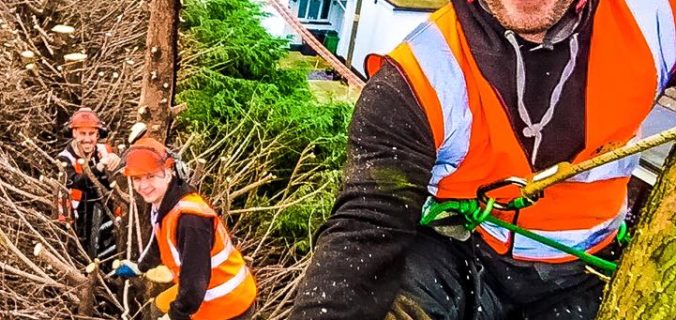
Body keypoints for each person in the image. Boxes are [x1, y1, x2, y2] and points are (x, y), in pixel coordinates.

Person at [290, 0, 675, 318]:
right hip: (457, 255)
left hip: (585, 274)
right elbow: (367, 228)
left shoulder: (652, 16)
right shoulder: (418, 76)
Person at [113, 138, 257, 320]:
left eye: (151, 176)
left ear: (170, 171)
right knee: (157, 307)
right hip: (207, 292)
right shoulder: (165, 203)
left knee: (167, 311)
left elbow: (194, 283)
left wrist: (175, 316)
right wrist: (140, 267)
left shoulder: (190, 221)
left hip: (227, 304)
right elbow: (160, 239)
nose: (143, 186)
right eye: (137, 178)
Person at [56, 107, 121, 261]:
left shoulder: (105, 150)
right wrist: (98, 168)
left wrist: (116, 161)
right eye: (82, 133)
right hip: (77, 215)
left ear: (98, 134)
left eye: (91, 134)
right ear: (74, 133)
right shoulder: (64, 158)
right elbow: (75, 182)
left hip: (108, 206)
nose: (87, 139)